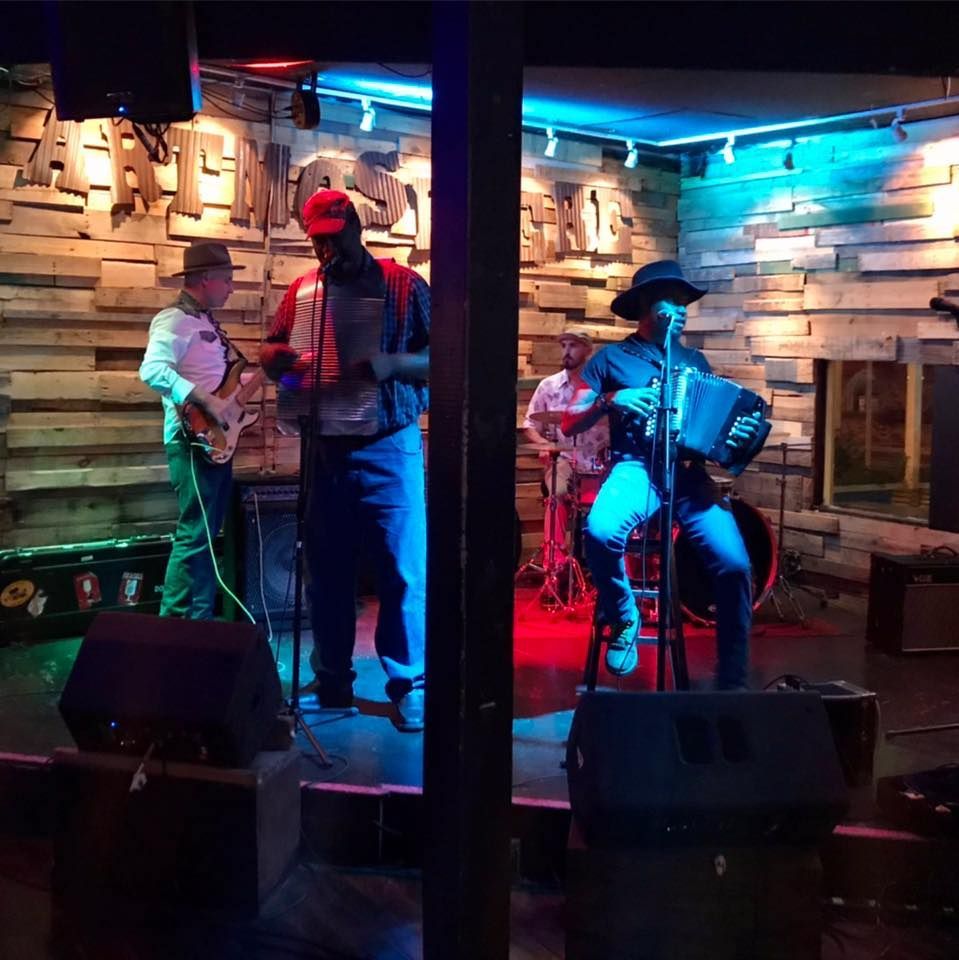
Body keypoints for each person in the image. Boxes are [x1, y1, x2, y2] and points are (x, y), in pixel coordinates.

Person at [259, 189, 429, 733]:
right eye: (319, 241)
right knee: (325, 572)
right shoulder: (304, 289)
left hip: (389, 443)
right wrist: (275, 361)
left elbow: (452, 355)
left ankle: (410, 684)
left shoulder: (402, 284)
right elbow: (272, 352)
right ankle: (332, 681)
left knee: (401, 570)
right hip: (325, 447)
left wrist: (392, 362)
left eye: (337, 236)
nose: (329, 250)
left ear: (356, 226)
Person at [562, 260, 766, 689]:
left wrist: (739, 433)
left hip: (689, 476)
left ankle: (733, 681)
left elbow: (714, 435)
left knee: (733, 566)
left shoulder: (696, 359)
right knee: (600, 531)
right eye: (671, 301)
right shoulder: (610, 359)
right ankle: (623, 615)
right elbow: (568, 420)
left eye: (684, 302)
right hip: (636, 468)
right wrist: (610, 400)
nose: (682, 309)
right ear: (645, 307)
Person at [139, 243, 245, 620]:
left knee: (203, 536)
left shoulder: (204, 323)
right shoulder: (174, 319)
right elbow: (151, 371)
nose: (231, 288)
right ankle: (175, 626)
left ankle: (197, 623)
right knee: (194, 535)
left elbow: (216, 381)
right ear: (205, 279)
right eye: (227, 280)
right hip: (191, 443)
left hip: (212, 442)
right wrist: (205, 399)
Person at [523, 329, 609, 556]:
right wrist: (544, 446)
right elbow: (530, 426)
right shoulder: (548, 387)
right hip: (564, 460)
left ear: (588, 350)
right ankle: (555, 563)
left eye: (573, 345)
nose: (567, 351)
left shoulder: (602, 388)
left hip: (600, 464)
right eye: (564, 346)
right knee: (556, 492)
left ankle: (606, 562)